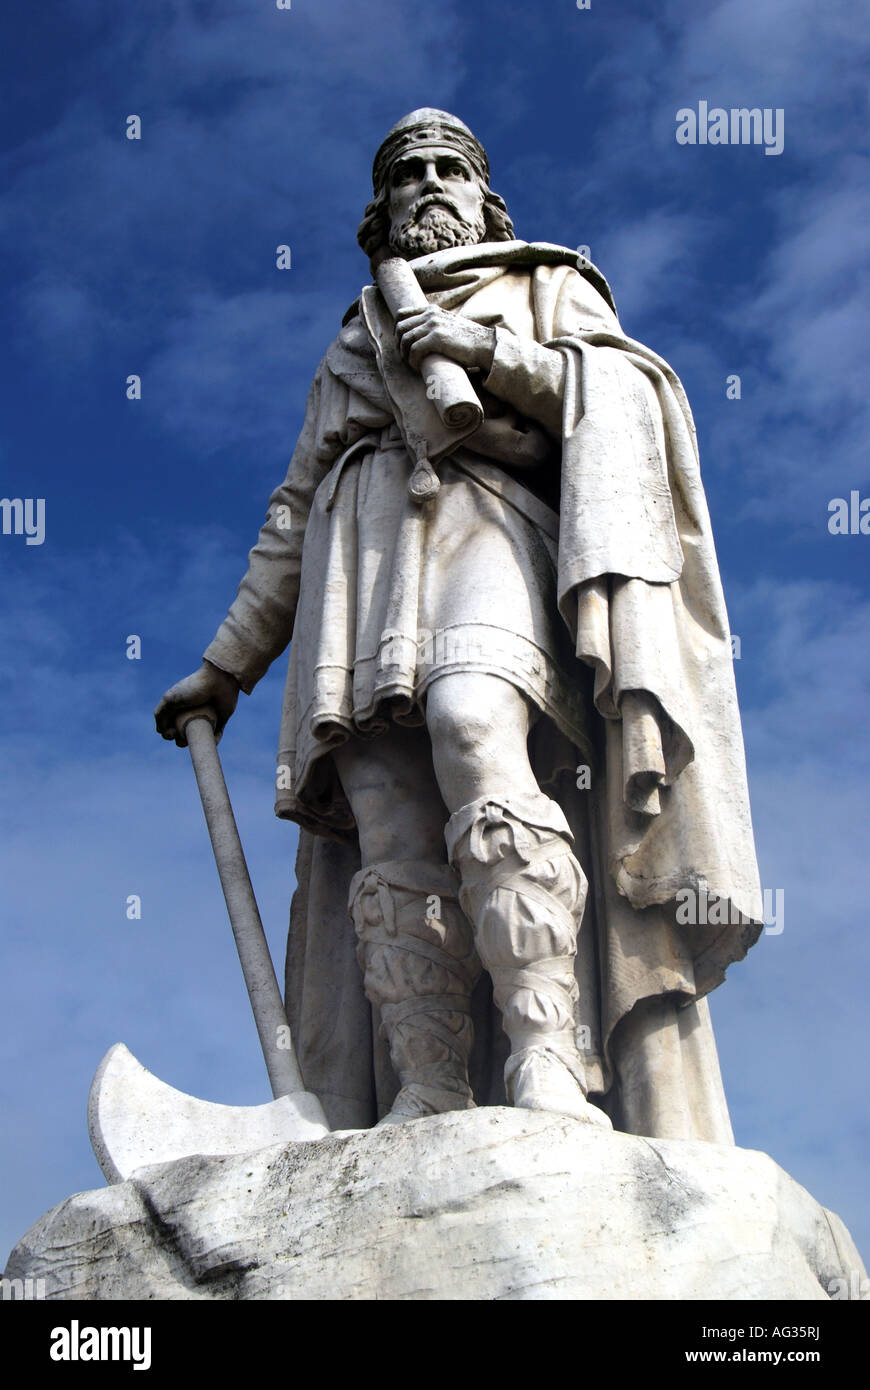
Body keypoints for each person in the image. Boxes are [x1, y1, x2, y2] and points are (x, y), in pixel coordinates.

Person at [156, 110, 763, 1138]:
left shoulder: (545, 283)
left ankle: (544, 1055)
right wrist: (225, 666)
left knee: (473, 726)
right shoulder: (355, 335)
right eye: (407, 174)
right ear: (382, 210)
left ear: (485, 195)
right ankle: (429, 1084)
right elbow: (294, 511)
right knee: (387, 813)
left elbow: (623, 397)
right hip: (364, 556)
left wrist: (479, 347)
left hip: (494, 529)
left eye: (450, 169)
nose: (429, 184)